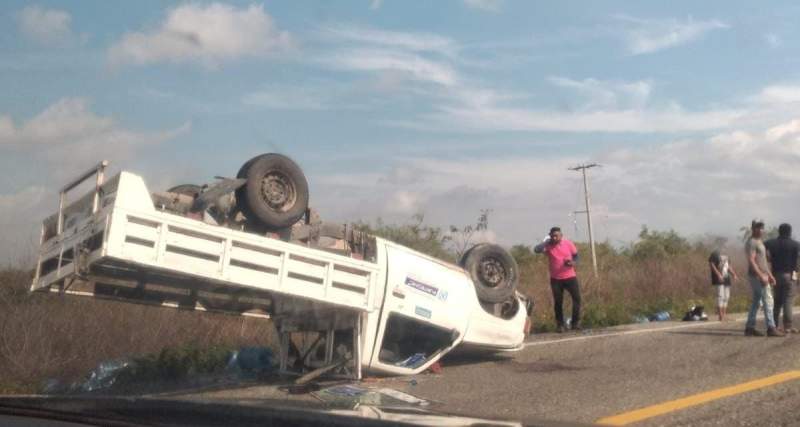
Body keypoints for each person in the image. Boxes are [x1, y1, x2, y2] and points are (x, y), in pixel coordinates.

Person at [534, 227, 580, 333]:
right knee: (558, 302)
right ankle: (560, 325)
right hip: (556, 279)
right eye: (553, 236)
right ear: (550, 236)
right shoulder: (548, 245)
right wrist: (546, 242)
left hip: (570, 277)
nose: (555, 238)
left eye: (557, 235)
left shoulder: (568, 243)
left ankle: (575, 323)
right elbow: (536, 250)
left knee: (577, 299)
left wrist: (573, 263)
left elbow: (576, 256)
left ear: (561, 235)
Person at [744, 219, 784, 337]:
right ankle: (771, 328)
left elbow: (763, 262)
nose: (761, 230)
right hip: (756, 276)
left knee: (756, 302)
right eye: (758, 227)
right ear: (753, 228)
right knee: (768, 300)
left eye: (762, 227)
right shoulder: (752, 242)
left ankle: (749, 328)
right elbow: (751, 260)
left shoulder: (759, 241)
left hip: (762, 274)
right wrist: (761, 275)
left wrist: (770, 275)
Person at [765, 223, 799, 333]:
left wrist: (768, 258)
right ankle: (787, 326)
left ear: (779, 231)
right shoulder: (795, 244)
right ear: (790, 232)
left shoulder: (771, 243)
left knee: (777, 301)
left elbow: (761, 247)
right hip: (789, 275)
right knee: (788, 301)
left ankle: (774, 325)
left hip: (775, 275)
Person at [708, 249, 739, 321]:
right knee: (720, 295)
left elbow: (728, 266)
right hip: (719, 277)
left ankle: (724, 315)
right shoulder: (715, 253)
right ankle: (720, 315)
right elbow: (711, 264)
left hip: (726, 277)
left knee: (727, 296)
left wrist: (734, 274)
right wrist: (718, 274)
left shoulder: (726, 254)